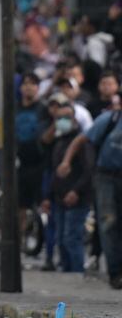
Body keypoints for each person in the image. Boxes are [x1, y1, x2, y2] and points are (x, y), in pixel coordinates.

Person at [57, 102, 122, 289]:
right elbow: (80, 140)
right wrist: (66, 162)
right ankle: (115, 272)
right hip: (106, 176)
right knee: (108, 222)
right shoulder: (110, 119)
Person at [47, 103, 94, 273]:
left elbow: (89, 171)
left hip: (77, 198)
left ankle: (76, 274)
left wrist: (76, 191)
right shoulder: (60, 141)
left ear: (75, 118)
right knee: (61, 239)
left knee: (71, 238)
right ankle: (67, 275)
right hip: (60, 198)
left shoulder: (81, 141)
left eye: (66, 117)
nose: (62, 121)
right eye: (59, 118)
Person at [16, 72, 52, 232]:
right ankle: (21, 238)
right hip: (20, 162)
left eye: (32, 84)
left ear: (38, 88)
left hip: (40, 161)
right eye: (25, 84)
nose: (28, 87)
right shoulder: (14, 108)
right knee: (20, 204)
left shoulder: (44, 109)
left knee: (42, 202)